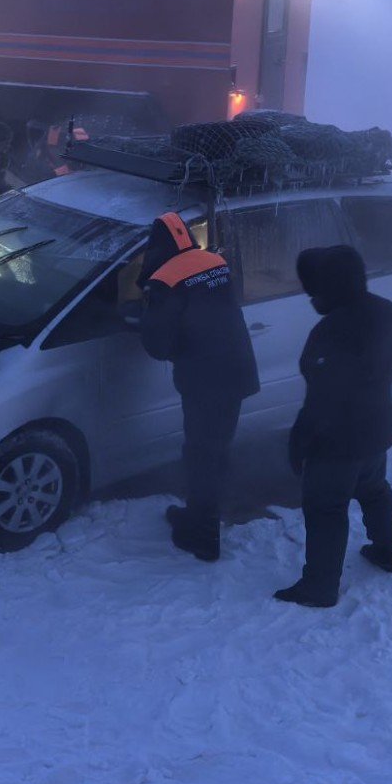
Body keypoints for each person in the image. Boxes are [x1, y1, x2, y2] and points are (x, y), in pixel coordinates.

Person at [276, 245, 392, 608]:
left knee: (326, 508)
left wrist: (300, 440)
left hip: (337, 439)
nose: (311, 299)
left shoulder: (332, 330)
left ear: (331, 286)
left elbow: (324, 396)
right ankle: (386, 550)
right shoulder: (386, 312)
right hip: (376, 430)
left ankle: (319, 587)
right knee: (374, 489)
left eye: (314, 291)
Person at [138, 212, 260, 561]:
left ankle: (203, 537)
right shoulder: (214, 261)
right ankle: (199, 513)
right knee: (216, 449)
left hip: (205, 381)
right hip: (237, 370)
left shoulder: (164, 280)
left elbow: (158, 345)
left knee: (201, 454)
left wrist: (145, 317)